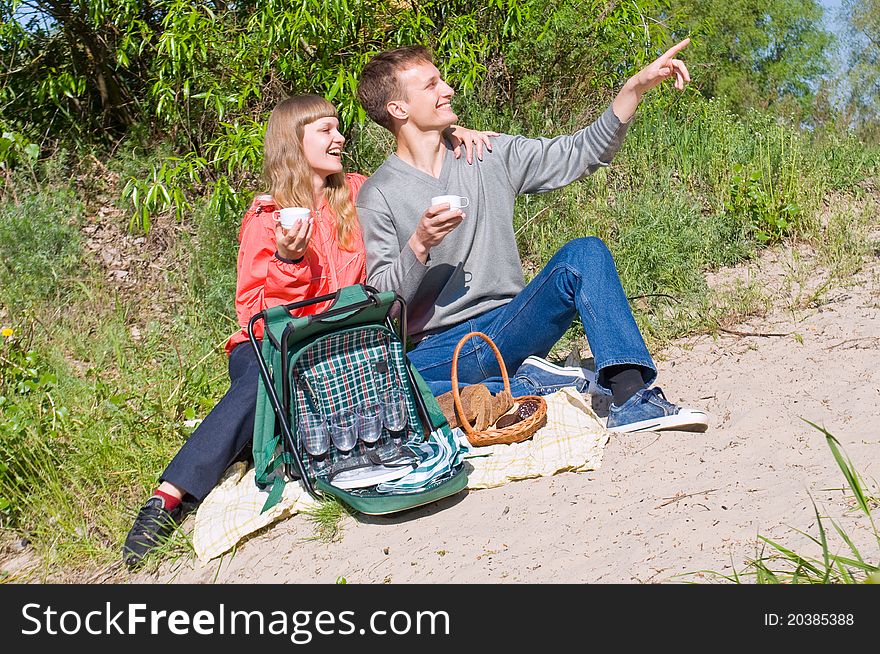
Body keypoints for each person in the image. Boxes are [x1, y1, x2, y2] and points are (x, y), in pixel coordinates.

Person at [122, 94, 493, 568]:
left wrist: (448, 137)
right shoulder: (266, 219)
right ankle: (168, 497)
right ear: (294, 143)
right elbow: (254, 316)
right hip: (274, 348)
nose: (341, 138)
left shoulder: (360, 193)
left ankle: (272, 442)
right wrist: (288, 261)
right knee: (265, 375)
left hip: (346, 346)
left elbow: (415, 177)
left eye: (339, 129)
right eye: (326, 130)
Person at [354, 41, 709, 435]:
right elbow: (384, 303)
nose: (448, 89)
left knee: (585, 254)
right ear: (398, 109)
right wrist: (419, 244)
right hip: (439, 350)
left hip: (510, 325)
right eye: (432, 85)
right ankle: (534, 383)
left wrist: (634, 89)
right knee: (396, 386)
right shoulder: (378, 193)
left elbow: (582, 152)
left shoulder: (488, 154)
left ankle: (630, 398)